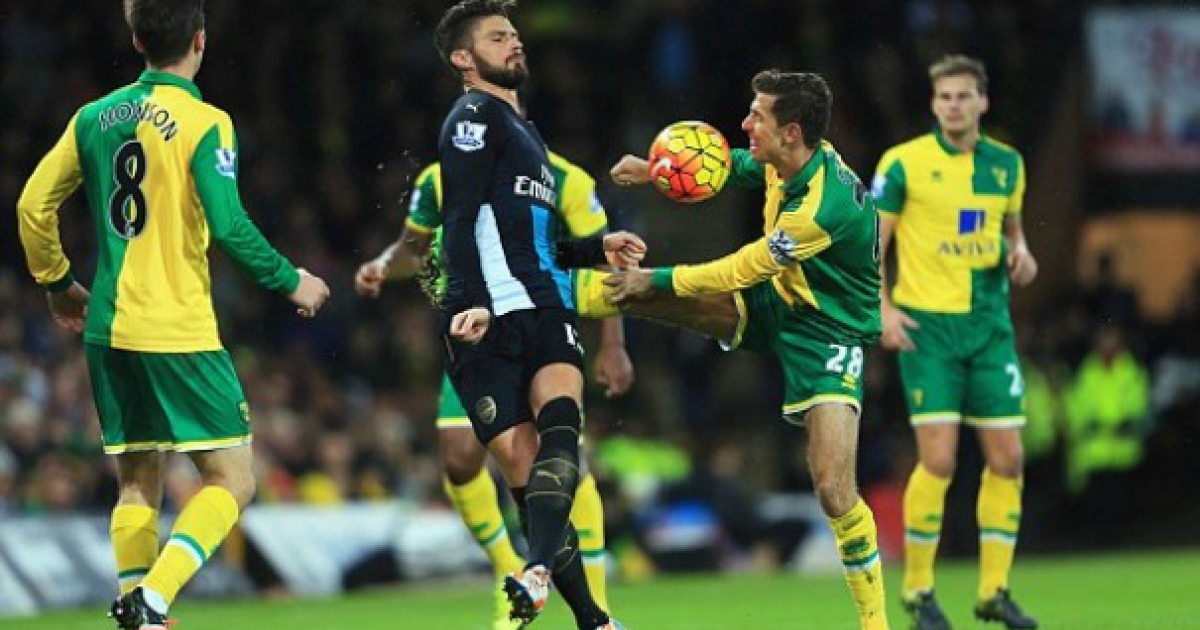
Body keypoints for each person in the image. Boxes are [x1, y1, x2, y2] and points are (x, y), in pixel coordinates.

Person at [14, 0, 330, 628]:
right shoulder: (205, 122)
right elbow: (229, 224)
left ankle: (139, 613)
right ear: (201, 40)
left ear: (137, 41)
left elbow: (32, 205)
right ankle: (152, 599)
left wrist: (56, 282)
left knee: (137, 480)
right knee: (233, 481)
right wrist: (290, 278)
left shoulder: (93, 117)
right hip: (176, 327)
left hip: (108, 328)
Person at [604, 69, 891, 630]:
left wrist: (657, 277)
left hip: (828, 331)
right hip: (780, 298)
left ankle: (875, 623)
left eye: (757, 116)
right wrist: (659, 169)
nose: (744, 123)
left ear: (791, 132)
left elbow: (744, 267)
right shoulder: (789, 160)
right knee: (635, 296)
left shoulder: (823, 206)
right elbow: (735, 165)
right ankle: (576, 294)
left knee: (834, 490)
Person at [355, 152, 634, 630]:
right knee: (461, 455)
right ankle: (511, 567)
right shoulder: (439, 178)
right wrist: (382, 265)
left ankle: (596, 608)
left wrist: (613, 343)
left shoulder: (566, 179)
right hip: (474, 336)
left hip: (542, 323)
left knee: (561, 457)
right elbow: (413, 248)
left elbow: (599, 258)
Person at [432, 2, 641, 629]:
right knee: (526, 474)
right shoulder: (473, 117)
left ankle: (540, 574)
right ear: (464, 58)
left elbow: (536, 241)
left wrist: (594, 250)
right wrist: (467, 300)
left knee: (561, 431)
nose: (515, 43)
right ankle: (591, 617)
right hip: (488, 319)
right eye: (498, 37)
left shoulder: (528, 136)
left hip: (547, 307)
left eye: (515, 35)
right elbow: (459, 217)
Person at [871, 54, 1039, 630]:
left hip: (989, 327)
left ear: (982, 102)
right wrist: (883, 309)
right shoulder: (903, 164)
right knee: (938, 460)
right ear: (933, 103)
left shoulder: (1007, 165)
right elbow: (875, 243)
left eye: (964, 96)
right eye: (945, 97)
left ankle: (994, 591)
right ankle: (919, 590)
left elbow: (1012, 233)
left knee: (1008, 458)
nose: (954, 106)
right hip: (929, 329)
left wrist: (1022, 255)